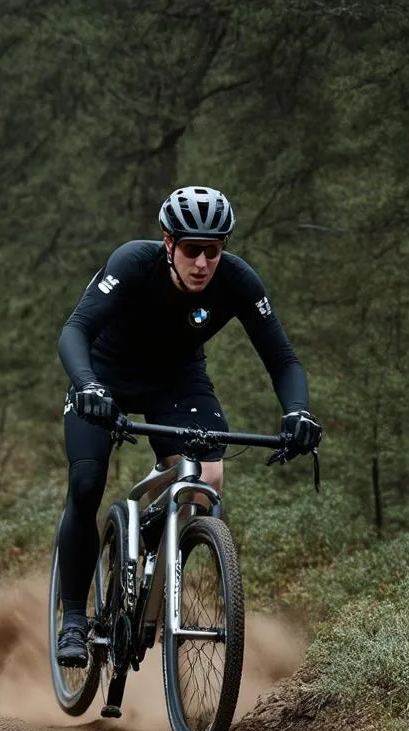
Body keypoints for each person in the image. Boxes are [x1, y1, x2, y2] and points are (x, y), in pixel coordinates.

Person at [55, 184, 321, 667]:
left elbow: (282, 358)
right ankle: (73, 619)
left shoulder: (238, 280)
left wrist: (297, 411)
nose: (202, 263)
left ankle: (148, 550)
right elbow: (75, 329)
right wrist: (88, 386)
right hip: (104, 377)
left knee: (207, 482)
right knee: (87, 481)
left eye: (213, 252)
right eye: (192, 250)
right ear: (169, 242)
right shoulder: (133, 263)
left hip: (177, 383)